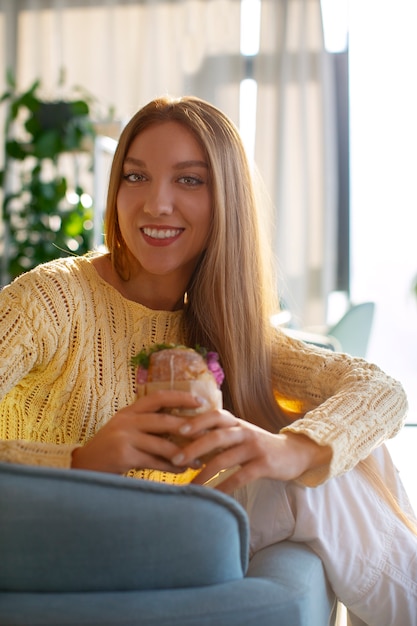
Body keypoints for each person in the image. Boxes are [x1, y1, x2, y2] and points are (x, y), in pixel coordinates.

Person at [0, 95, 416, 624]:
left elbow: (381, 391)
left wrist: (290, 448)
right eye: (136, 177)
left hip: (172, 536)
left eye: (189, 180)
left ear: (226, 200)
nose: (156, 203)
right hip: (63, 545)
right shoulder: (51, 301)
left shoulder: (220, 323)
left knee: (340, 458)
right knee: (319, 481)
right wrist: (82, 462)